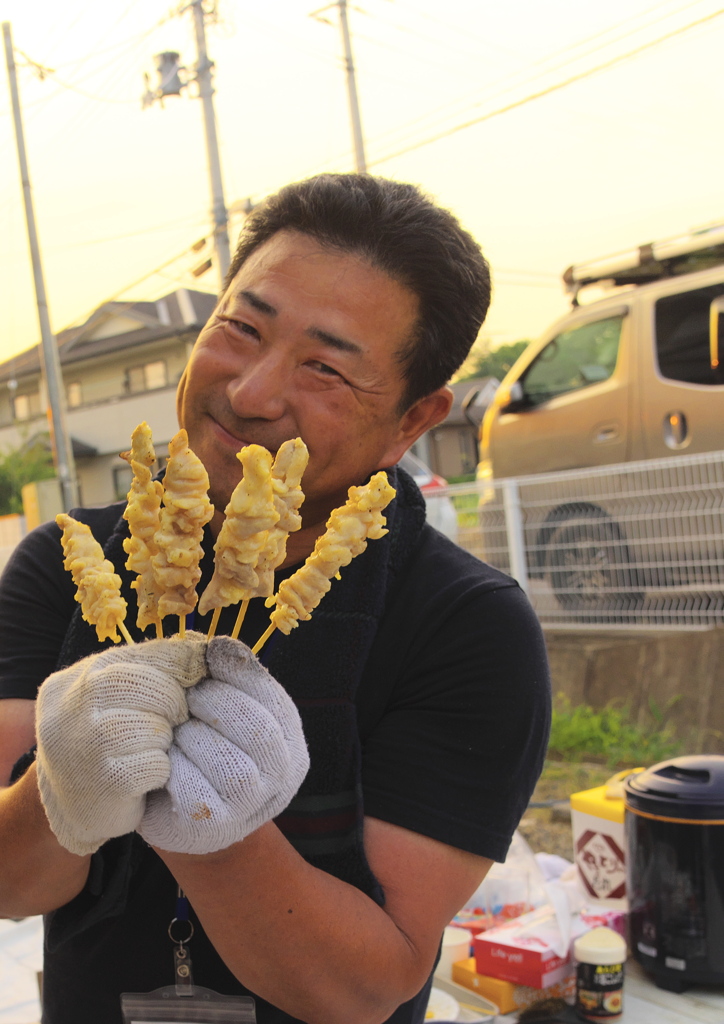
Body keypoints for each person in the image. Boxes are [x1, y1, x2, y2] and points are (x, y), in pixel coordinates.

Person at [0, 173, 551, 1024]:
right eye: (240, 327)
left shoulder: (468, 628)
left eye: (326, 368)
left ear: (414, 419)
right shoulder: (68, 567)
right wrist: (61, 784)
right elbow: (9, 884)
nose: (252, 394)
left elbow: (364, 989)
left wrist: (216, 828)